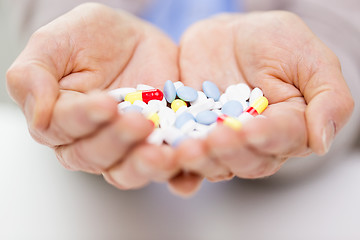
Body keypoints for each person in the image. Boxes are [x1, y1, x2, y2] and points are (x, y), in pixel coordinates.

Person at [5, 0, 358, 197]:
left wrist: (320, 69)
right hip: (91, 195)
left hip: (285, 198)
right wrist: (70, 50)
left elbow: (343, 22)